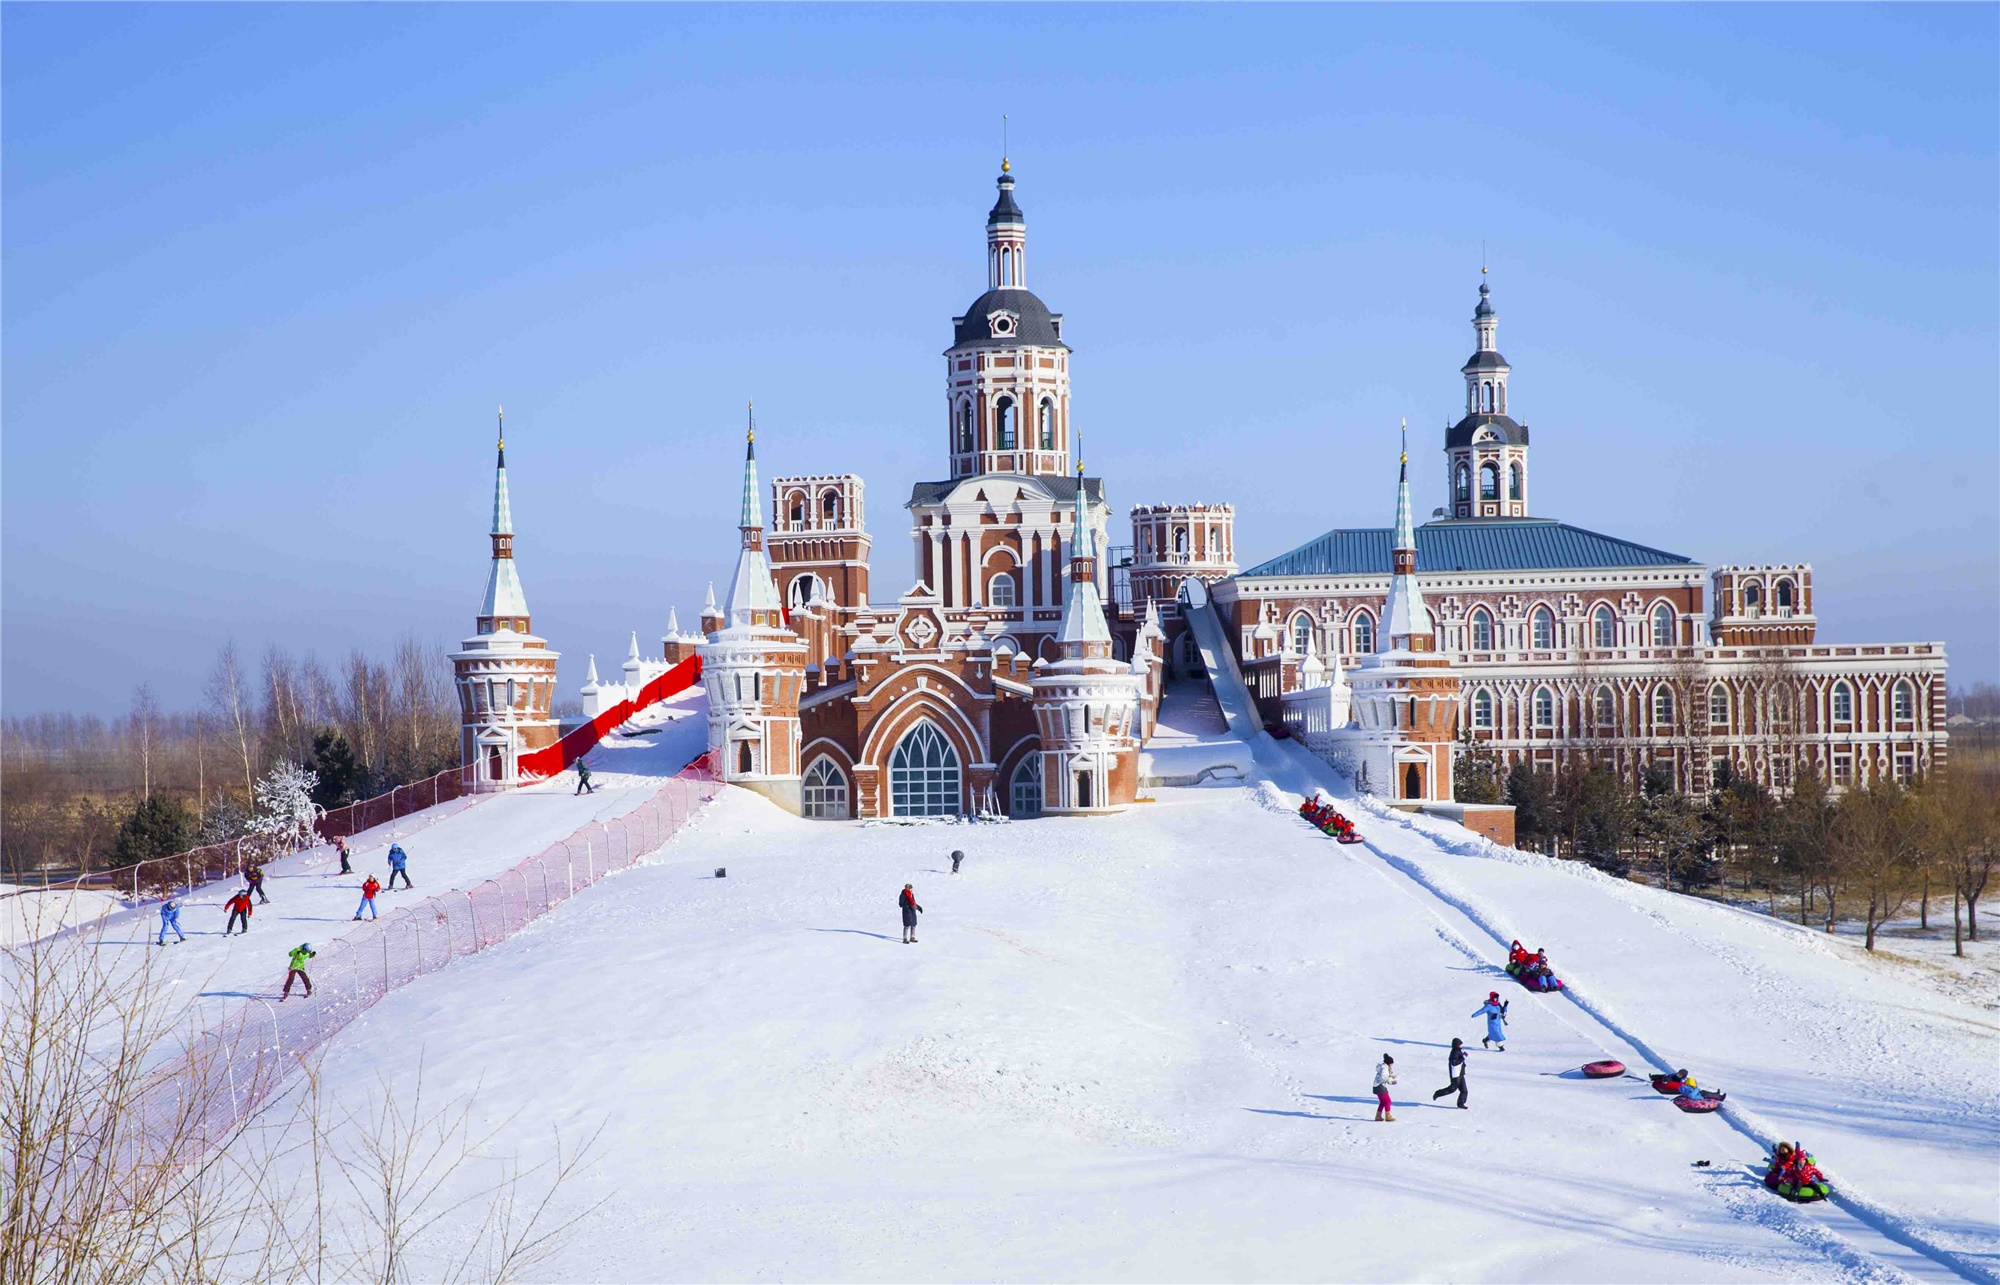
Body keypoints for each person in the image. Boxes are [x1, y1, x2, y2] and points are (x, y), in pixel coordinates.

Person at [1432, 1038, 1469, 1108]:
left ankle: (1461, 1103)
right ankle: (1438, 1093)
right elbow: (1454, 1063)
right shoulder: (1454, 1053)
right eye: (1460, 1044)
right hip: (1455, 1075)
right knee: (1452, 1089)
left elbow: (1462, 1052)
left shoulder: (1459, 1050)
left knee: (1464, 1090)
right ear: (1456, 1045)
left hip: (1460, 1073)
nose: (1461, 1045)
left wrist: (1464, 1054)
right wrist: (1461, 1059)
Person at [1372, 1054, 1397, 1122]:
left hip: (1377, 1086)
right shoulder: (1384, 1069)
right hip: (1380, 1087)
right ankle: (1388, 1116)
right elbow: (1384, 1078)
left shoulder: (1384, 1067)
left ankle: (1378, 1116)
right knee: (1388, 1101)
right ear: (1389, 1063)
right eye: (1391, 1063)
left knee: (1383, 1102)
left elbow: (1386, 1076)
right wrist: (1392, 1081)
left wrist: (1391, 1076)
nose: (1392, 1065)